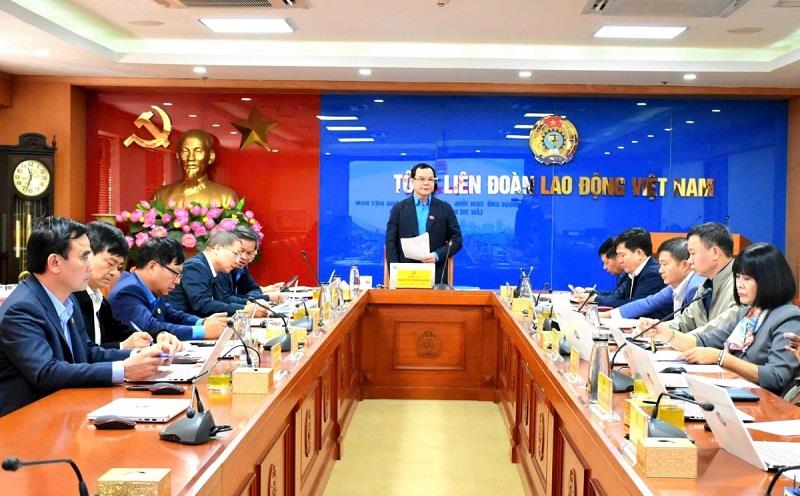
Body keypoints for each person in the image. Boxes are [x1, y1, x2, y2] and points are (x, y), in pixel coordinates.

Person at [0, 216, 171, 417]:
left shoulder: (69, 300)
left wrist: (140, 356)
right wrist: (123, 370)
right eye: (84, 257)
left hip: (66, 409)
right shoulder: (21, 309)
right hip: (26, 420)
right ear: (54, 263)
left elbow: (88, 352)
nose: (89, 266)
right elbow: (46, 372)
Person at [646, 243, 800, 395]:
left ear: (770, 280)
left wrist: (721, 358)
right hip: (734, 391)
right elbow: (704, 341)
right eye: (737, 277)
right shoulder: (748, 312)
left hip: (764, 401)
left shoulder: (788, 317)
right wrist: (665, 333)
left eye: (747, 278)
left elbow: (776, 377)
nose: (739, 284)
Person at [73, 222, 182, 350]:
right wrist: (123, 346)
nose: (114, 273)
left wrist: (159, 335)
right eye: (110, 263)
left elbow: (124, 332)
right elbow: (85, 353)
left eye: (119, 267)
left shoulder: (99, 300)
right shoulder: (71, 298)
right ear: (86, 254)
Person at [108, 236, 227, 341]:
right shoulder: (128, 290)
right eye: (176, 273)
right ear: (152, 266)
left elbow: (171, 314)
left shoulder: (151, 288)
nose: (178, 281)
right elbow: (150, 327)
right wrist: (202, 331)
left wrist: (203, 322)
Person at [639, 222, 739, 337]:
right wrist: (656, 327)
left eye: (692, 253)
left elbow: (719, 332)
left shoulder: (740, 285)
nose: (690, 261)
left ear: (715, 252)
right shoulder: (706, 286)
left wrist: (674, 336)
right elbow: (684, 323)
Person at [385, 163, 462, 285]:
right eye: (421, 179)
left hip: (436, 274)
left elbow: (457, 240)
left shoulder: (445, 209)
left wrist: (437, 255)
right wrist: (395, 275)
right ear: (412, 181)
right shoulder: (399, 209)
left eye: (430, 179)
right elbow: (391, 243)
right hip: (406, 274)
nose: (426, 183)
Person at [167, 231, 275, 317]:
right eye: (236, 253)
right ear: (218, 248)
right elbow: (203, 305)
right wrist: (245, 310)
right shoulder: (195, 267)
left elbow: (222, 299)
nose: (238, 260)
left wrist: (250, 304)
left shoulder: (211, 268)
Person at [603, 237, 703, 320]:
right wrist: (605, 315)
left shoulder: (695, 289)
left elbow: (690, 327)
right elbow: (648, 302)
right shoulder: (674, 286)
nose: (660, 270)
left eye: (665, 264)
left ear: (685, 265)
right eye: (660, 264)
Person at [577, 228, 665, 309]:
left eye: (622, 255)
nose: (620, 261)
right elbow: (618, 296)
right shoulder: (634, 273)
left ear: (639, 253)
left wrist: (596, 299)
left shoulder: (653, 274)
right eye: (618, 256)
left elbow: (635, 306)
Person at [152, 129, 239, 208]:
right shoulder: (161, 196)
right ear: (178, 156)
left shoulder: (226, 198)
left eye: (198, 151)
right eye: (185, 151)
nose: (191, 158)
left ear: (211, 157)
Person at [215, 226, 283, 305]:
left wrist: (252, 298)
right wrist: (266, 298)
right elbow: (225, 298)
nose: (244, 257)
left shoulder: (241, 267)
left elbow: (254, 289)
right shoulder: (220, 267)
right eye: (240, 251)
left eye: (249, 253)